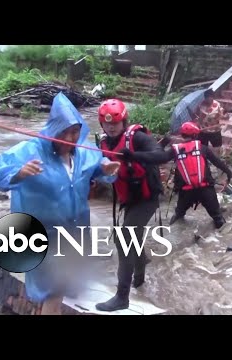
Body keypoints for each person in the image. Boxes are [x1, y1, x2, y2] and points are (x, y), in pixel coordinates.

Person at [0, 92, 120, 314]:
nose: (70, 139)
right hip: (43, 234)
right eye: (65, 132)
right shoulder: (29, 150)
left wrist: (105, 168)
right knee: (53, 292)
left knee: (65, 287)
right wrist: (18, 174)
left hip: (75, 232)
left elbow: (98, 166)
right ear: (54, 130)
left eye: (75, 132)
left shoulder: (83, 152)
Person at [95, 98, 165, 312]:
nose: (111, 126)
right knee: (127, 236)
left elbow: (161, 155)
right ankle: (141, 272)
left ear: (124, 122)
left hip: (148, 198)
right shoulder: (103, 144)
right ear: (102, 124)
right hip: (129, 200)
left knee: (125, 237)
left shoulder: (138, 137)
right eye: (107, 124)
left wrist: (133, 155)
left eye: (115, 123)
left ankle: (122, 296)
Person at [121, 121, 232, 230]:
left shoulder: (175, 150)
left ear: (182, 135)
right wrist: (229, 173)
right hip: (206, 189)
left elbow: (159, 158)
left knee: (179, 215)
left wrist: (134, 155)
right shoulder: (203, 148)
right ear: (196, 136)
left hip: (186, 192)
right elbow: (218, 162)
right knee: (218, 219)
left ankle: (176, 233)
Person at [192, 88, 226, 158]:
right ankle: (204, 162)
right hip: (203, 131)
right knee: (202, 148)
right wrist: (197, 120)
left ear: (212, 97)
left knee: (217, 148)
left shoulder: (217, 105)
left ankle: (217, 161)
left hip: (215, 130)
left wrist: (220, 118)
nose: (208, 99)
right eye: (206, 97)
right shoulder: (201, 105)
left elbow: (223, 116)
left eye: (209, 97)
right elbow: (196, 115)